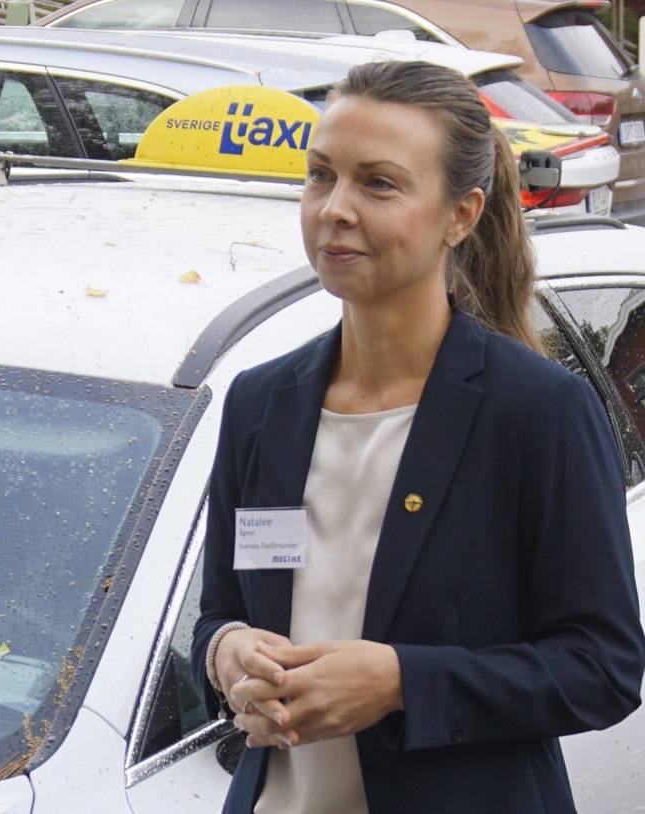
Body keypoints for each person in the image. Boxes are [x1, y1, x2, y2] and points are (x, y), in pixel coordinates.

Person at [190, 60, 645, 814]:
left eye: (379, 183)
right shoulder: (259, 403)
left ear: (460, 215)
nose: (335, 208)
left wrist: (402, 683)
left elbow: (602, 668)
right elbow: (222, 609)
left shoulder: (536, 412)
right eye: (320, 175)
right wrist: (225, 649)